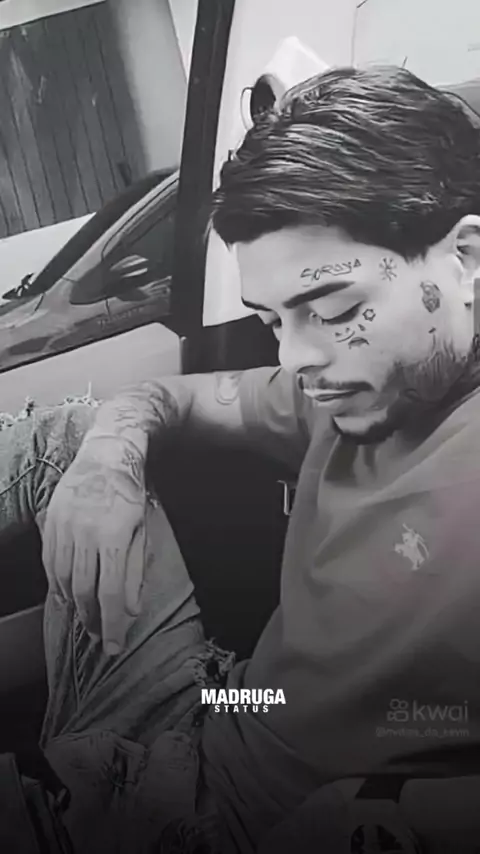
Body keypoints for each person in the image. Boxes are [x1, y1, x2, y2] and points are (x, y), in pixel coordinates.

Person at [2, 64, 480, 853]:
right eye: (272, 321)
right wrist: (106, 464)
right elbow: (164, 399)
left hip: (235, 825)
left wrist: (403, 818)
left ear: (465, 257)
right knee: (68, 439)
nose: (295, 357)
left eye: (334, 309)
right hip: (227, 707)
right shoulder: (336, 390)